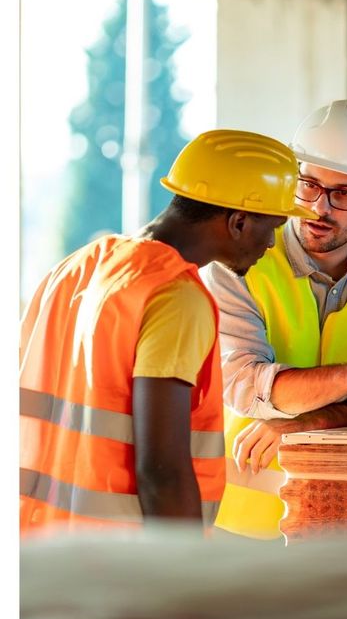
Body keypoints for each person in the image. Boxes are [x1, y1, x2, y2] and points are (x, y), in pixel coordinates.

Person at [19, 129, 315, 536]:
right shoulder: (175, 296)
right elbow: (163, 472)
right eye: (273, 226)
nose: (271, 244)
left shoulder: (75, 268)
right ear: (239, 221)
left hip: (39, 549)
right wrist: (180, 578)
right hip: (122, 562)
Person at [203, 100, 347, 539]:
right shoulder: (237, 262)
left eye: (344, 193)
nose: (319, 207)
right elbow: (242, 385)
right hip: (241, 515)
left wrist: (312, 422)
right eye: (308, 184)